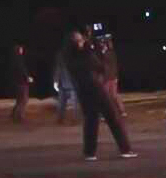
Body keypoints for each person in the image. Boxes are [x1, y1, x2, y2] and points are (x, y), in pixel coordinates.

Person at [66, 30, 137, 160]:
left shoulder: (69, 58)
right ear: (77, 42)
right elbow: (100, 67)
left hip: (83, 91)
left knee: (91, 121)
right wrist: (95, 50)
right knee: (113, 118)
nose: (83, 42)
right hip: (96, 88)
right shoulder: (86, 54)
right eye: (80, 40)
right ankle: (125, 149)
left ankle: (89, 153)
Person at [53, 35, 79, 124]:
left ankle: (60, 119)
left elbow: (58, 68)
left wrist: (56, 81)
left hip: (63, 82)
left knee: (62, 102)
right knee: (74, 103)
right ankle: (74, 119)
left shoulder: (60, 53)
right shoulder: (76, 53)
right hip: (73, 82)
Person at [101, 35, 126, 117]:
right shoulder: (107, 52)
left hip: (110, 77)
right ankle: (114, 112)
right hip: (108, 77)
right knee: (109, 96)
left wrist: (115, 77)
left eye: (103, 43)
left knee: (113, 95)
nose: (102, 45)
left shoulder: (109, 53)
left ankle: (120, 111)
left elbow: (112, 65)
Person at [10, 44, 32, 123]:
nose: (22, 50)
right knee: (24, 99)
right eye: (21, 49)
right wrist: (28, 77)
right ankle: (20, 117)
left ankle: (14, 114)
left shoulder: (14, 60)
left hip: (17, 82)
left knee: (19, 100)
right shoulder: (19, 60)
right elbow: (22, 70)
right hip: (22, 82)